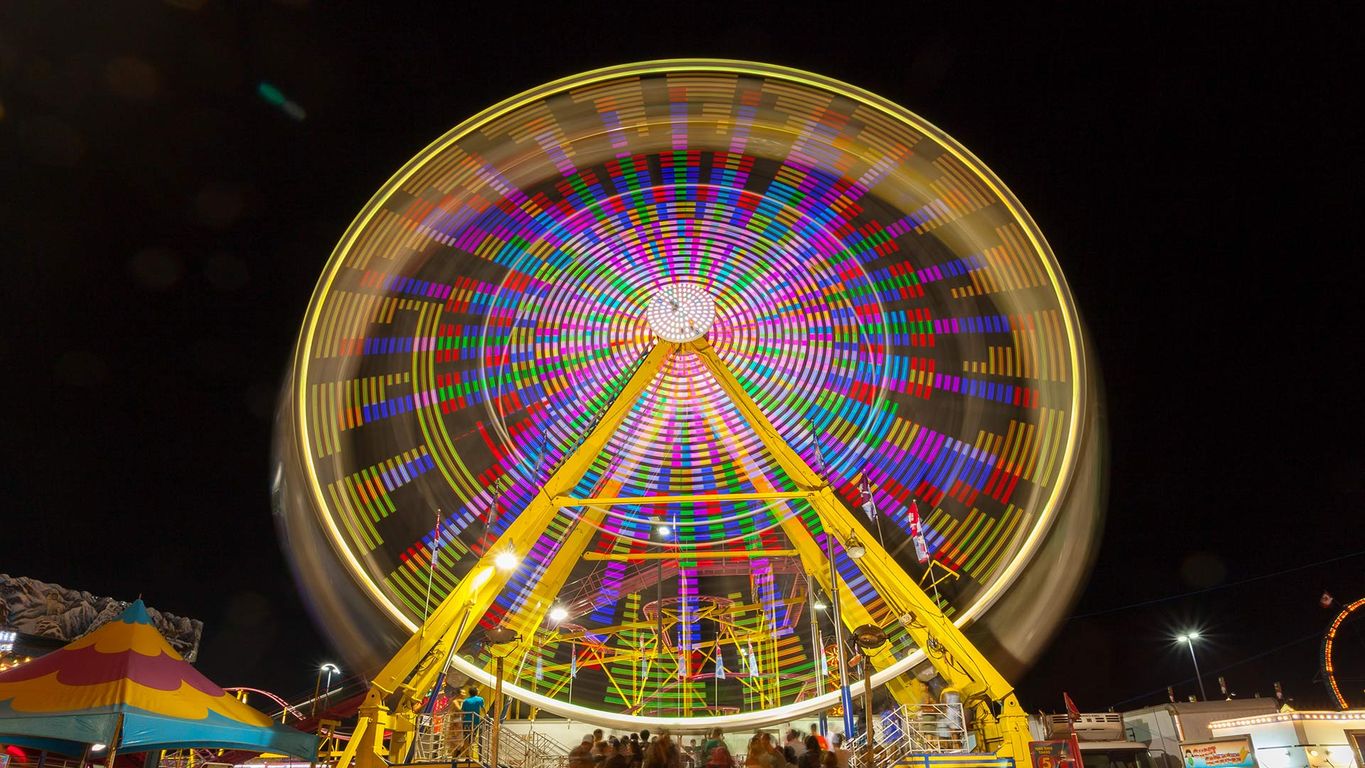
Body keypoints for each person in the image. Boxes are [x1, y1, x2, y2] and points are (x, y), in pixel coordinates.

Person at [459, 686, 484, 758]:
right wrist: (485, 716)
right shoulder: (480, 699)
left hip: (466, 722)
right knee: (472, 739)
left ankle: (467, 755)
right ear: (477, 692)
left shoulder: (466, 701)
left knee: (466, 739)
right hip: (475, 722)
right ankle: (469, 755)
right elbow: (483, 709)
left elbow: (462, 712)